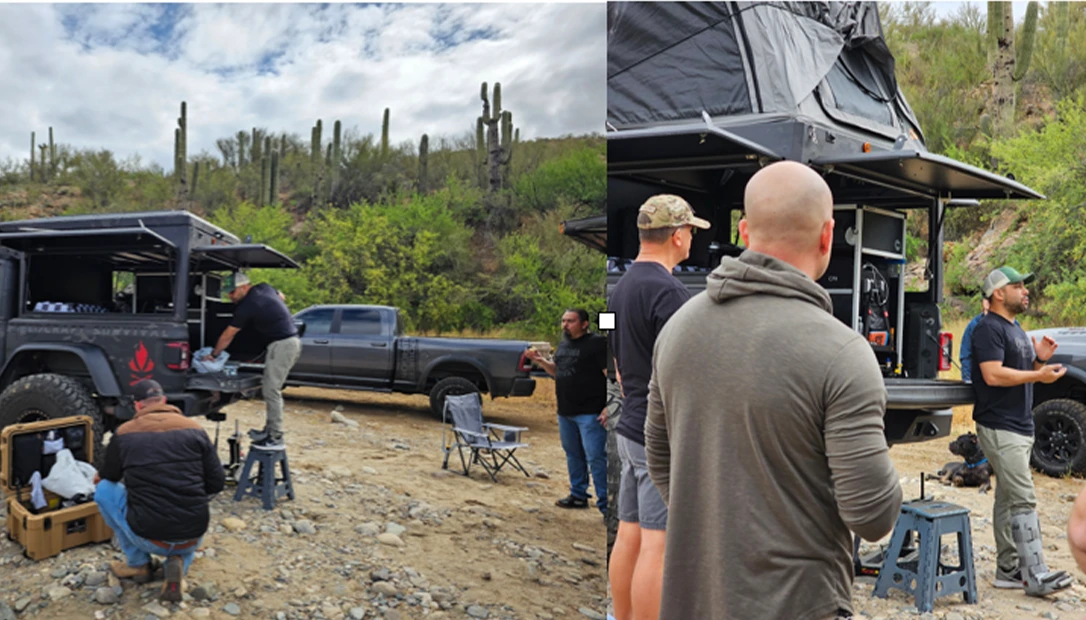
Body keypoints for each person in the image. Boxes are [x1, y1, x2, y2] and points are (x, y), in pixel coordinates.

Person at [643, 161, 903, 620]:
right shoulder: (843, 352)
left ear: (744, 231)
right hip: (800, 604)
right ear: (828, 236)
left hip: (693, 600)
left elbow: (661, 461)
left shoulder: (678, 330)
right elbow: (871, 515)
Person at [606, 194, 708, 620]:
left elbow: (611, 357)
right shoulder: (671, 295)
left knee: (628, 532)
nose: (692, 240)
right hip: (658, 438)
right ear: (679, 235)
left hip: (628, 426)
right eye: (692, 232)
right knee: (658, 542)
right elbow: (684, 374)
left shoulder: (618, 288)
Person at [971, 266, 1073, 596]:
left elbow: (1017, 372)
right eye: (1017, 286)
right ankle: (1035, 575)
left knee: (1006, 498)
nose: (1025, 291)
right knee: (1024, 498)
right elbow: (993, 375)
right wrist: (1038, 376)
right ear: (998, 293)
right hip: (1000, 427)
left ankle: (1008, 570)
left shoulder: (1015, 328)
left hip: (1019, 426)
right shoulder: (988, 329)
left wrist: (1038, 361)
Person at [93, 379, 225, 602]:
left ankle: (138, 565)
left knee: (104, 490)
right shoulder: (195, 430)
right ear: (164, 401)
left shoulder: (124, 433)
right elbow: (217, 483)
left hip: (148, 538)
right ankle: (179, 562)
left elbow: (109, 477)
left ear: (137, 405)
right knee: (185, 528)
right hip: (192, 535)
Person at [526, 309, 609, 515]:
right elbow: (558, 372)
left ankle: (608, 506)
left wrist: (610, 407)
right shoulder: (563, 344)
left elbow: (612, 376)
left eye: (570, 321)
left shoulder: (598, 344)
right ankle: (578, 495)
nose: (565, 325)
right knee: (573, 455)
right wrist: (540, 361)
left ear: (584, 324)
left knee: (596, 458)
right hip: (566, 411)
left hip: (591, 412)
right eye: (563, 321)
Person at [205, 272, 301, 447]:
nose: (230, 296)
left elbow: (229, 334)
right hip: (286, 342)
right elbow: (281, 296)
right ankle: (269, 430)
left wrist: (213, 355)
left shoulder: (249, 305)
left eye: (232, 292)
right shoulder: (264, 288)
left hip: (283, 345)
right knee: (269, 386)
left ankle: (275, 436)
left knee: (271, 390)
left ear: (244, 287)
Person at [960, 297, 990, 382]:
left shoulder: (1012, 324)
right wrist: (967, 379)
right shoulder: (974, 325)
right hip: (978, 380)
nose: (988, 302)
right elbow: (966, 355)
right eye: (986, 298)